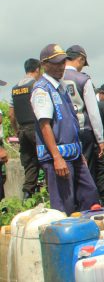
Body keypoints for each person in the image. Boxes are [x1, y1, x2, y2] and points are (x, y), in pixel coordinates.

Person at [31, 44, 99, 215]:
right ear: (44, 65)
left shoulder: (60, 87)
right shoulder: (42, 89)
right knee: (64, 206)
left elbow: (71, 121)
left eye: (63, 62)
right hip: (59, 157)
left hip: (74, 154)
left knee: (90, 196)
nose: (61, 66)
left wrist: (80, 152)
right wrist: (56, 157)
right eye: (56, 63)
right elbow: (45, 125)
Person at [62, 45, 104, 205]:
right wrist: (100, 139)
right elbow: (93, 113)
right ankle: (86, 207)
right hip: (83, 131)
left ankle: (69, 205)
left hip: (61, 133)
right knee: (85, 171)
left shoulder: (55, 77)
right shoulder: (83, 79)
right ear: (80, 59)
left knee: (66, 171)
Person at [9, 58, 42, 199]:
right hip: (36, 129)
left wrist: (16, 129)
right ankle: (50, 196)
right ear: (37, 69)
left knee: (30, 165)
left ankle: (27, 196)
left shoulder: (15, 88)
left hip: (22, 130)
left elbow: (11, 115)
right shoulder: (36, 85)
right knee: (46, 161)